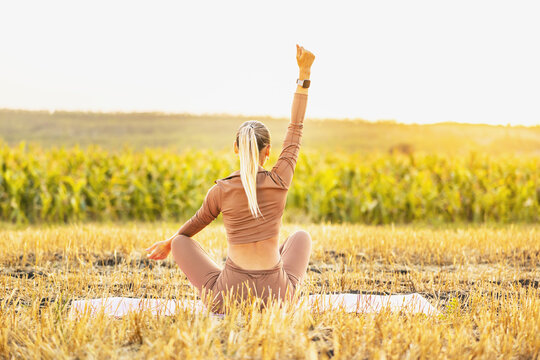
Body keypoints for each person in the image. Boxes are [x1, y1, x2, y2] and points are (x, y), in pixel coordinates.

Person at [145, 44, 315, 314]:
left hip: (229, 297)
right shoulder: (280, 179)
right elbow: (296, 128)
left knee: (179, 241)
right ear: (268, 151)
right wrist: (304, 72)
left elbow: (193, 225)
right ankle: (284, 297)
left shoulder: (221, 190)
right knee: (302, 237)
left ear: (236, 148)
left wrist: (169, 242)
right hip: (277, 297)